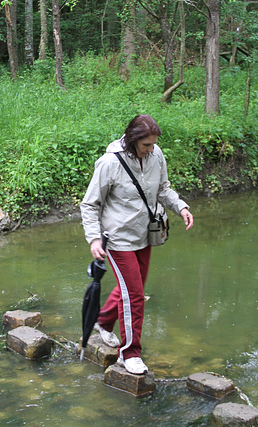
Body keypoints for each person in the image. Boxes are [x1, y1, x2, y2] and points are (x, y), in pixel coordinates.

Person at [81, 114, 194, 375]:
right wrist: (95, 238)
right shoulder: (110, 163)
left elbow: (163, 189)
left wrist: (181, 207)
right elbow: (90, 204)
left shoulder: (156, 156)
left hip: (145, 234)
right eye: (146, 145)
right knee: (134, 295)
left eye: (154, 144)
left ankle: (104, 321)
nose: (151, 149)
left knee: (134, 287)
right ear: (132, 141)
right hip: (118, 238)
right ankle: (129, 352)